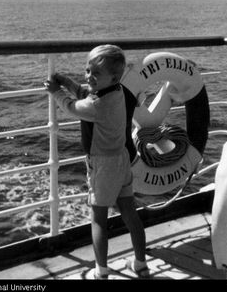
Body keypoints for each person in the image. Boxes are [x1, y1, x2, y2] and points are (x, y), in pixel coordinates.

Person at [44, 44, 149, 280]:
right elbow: (86, 93)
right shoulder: (117, 91)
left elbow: (73, 106)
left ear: (112, 76)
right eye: (87, 70)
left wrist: (56, 91)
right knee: (130, 214)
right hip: (122, 159)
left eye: (95, 73)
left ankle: (101, 271)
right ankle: (141, 264)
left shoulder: (98, 106)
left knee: (98, 218)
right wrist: (68, 83)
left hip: (103, 165)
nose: (89, 76)